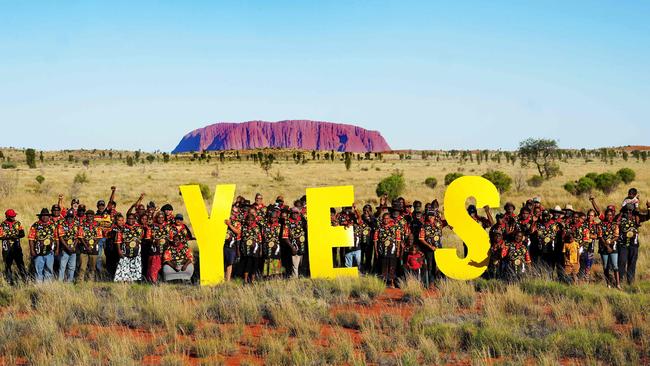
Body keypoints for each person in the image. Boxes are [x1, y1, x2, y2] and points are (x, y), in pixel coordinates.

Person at [617, 202, 650, 285]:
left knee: (632, 263)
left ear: (633, 210)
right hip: (622, 244)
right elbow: (613, 221)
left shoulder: (637, 217)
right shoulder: (620, 217)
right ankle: (620, 281)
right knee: (622, 262)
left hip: (633, 244)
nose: (629, 212)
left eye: (630, 210)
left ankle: (630, 282)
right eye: (627, 210)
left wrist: (649, 208)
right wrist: (621, 212)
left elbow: (648, 217)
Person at [419, 208, 448, 285]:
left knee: (441, 265)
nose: (430, 217)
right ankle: (431, 282)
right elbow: (421, 239)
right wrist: (430, 246)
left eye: (432, 216)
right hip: (429, 249)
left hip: (439, 249)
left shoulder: (439, 223)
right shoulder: (424, 226)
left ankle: (441, 282)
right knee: (431, 266)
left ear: (435, 216)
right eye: (429, 216)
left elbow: (448, 222)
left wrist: (445, 212)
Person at [28, 208, 58, 283]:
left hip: (49, 252)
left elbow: (56, 238)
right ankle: (39, 286)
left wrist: (57, 249)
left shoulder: (53, 225)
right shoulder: (35, 225)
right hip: (38, 252)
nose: (45, 217)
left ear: (49, 216)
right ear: (40, 216)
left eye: (46, 215)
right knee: (38, 270)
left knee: (49, 269)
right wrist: (32, 250)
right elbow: (31, 238)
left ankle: (47, 287)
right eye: (43, 215)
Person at [114, 213, 144, 282]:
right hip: (125, 249)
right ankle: (124, 280)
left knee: (136, 264)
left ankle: (135, 279)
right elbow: (118, 240)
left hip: (136, 250)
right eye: (129, 218)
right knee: (124, 264)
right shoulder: (122, 228)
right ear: (127, 219)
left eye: (132, 218)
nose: (131, 220)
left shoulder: (139, 227)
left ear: (135, 219)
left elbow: (141, 237)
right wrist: (119, 251)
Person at [374, 212, 401, 288]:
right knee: (383, 266)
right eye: (384, 218)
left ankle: (391, 283)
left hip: (392, 250)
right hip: (382, 250)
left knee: (392, 266)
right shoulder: (379, 228)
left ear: (390, 219)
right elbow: (375, 240)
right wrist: (376, 251)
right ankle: (384, 283)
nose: (385, 220)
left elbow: (398, 240)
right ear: (382, 219)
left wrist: (398, 250)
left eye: (387, 218)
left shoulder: (395, 227)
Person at [0, 209, 27, 284]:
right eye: (11, 216)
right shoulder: (2, 225)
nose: (13, 217)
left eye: (14, 216)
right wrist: (10, 237)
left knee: (20, 264)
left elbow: (22, 234)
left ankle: (25, 280)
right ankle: (9, 281)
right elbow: (0, 236)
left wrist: (17, 236)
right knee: (8, 265)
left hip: (17, 248)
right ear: (7, 216)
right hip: (6, 249)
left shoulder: (18, 223)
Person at [77, 210, 103, 281]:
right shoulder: (82, 225)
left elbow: (99, 236)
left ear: (93, 216)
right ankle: (80, 281)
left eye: (91, 216)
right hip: (84, 248)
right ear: (86, 216)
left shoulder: (97, 225)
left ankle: (90, 280)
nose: (89, 217)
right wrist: (86, 246)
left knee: (92, 267)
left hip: (94, 248)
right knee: (82, 266)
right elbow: (80, 237)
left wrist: (93, 245)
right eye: (88, 216)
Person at [598, 207, 620, 288]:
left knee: (615, 266)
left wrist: (610, 242)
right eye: (607, 215)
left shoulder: (615, 224)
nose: (609, 216)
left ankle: (618, 284)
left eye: (610, 215)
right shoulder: (601, 224)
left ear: (612, 216)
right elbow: (600, 236)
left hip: (613, 248)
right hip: (604, 248)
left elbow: (616, 236)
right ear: (605, 215)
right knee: (606, 266)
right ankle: (608, 284)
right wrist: (607, 246)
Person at [282, 207, 307, 278]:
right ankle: (295, 280)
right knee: (295, 266)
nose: (295, 214)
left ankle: (302, 278)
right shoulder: (287, 222)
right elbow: (285, 237)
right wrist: (292, 247)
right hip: (294, 246)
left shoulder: (302, 220)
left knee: (303, 264)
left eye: (297, 213)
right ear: (291, 213)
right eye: (293, 213)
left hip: (303, 246)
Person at [240, 208, 262, 283]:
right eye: (248, 220)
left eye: (251, 220)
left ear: (254, 221)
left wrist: (261, 250)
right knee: (247, 264)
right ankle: (245, 280)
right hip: (247, 249)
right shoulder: (244, 227)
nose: (250, 222)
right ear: (246, 220)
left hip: (256, 249)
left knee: (255, 264)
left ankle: (252, 280)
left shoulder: (257, 227)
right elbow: (241, 239)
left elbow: (260, 239)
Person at [148, 212, 170, 283]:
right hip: (155, 250)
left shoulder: (167, 226)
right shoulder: (152, 226)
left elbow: (171, 237)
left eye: (162, 217)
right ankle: (153, 281)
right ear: (156, 218)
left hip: (165, 249)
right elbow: (148, 238)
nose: (161, 219)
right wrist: (154, 241)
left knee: (165, 265)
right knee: (154, 266)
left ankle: (165, 280)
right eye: (159, 217)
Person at [57, 210, 78, 282]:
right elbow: (61, 238)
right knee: (62, 266)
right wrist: (67, 247)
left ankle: (69, 281)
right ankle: (60, 281)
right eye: (68, 217)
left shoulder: (76, 225)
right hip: (64, 249)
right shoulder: (61, 225)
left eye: (71, 217)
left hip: (73, 249)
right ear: (66, 217)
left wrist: (73, 247)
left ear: (73, 218)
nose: (70, 219)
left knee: (72, 267)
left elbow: (77, 237)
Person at [580, 209, 599, 281]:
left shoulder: (596, 225)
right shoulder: (583, 224)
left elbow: (597, 236)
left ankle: (586, 277)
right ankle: (582, 277)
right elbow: (581, 234)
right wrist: (590, 236)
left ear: (594, 216)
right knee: (583, 261)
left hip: (591, 246)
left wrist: (588, 235)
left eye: (591, 215)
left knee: (589, 262)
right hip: (583, 245)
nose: (589, 217)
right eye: (588, 215)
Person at [224, 208, 242, 281]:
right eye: (233, 211)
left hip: (231, 246)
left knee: (229, 262)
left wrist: (229, 225)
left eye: (235, 212)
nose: (234, 213)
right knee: (222, 261)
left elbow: (238, 232)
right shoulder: (225, 220)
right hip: (222, 244)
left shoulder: (237, 223)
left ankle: (227, 280)